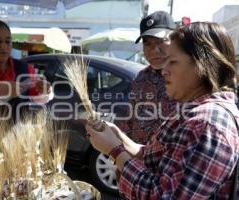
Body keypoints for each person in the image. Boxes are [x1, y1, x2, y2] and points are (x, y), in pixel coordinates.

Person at [86, 22, 239, 199]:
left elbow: (161, 196)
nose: (164, 70)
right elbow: (157, 158)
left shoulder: (205, 125)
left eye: (173, 62)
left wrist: (114, 150)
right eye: (147, 44)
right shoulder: (193, 111)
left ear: (204, 64)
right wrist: (118, 137)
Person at [118, 11, 176, 145]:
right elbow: (129, 119)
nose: (154, 50)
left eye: (161, 41)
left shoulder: (188, 78)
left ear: (175, 39)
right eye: (147, 43)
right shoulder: (141, 78)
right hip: (137, 159)